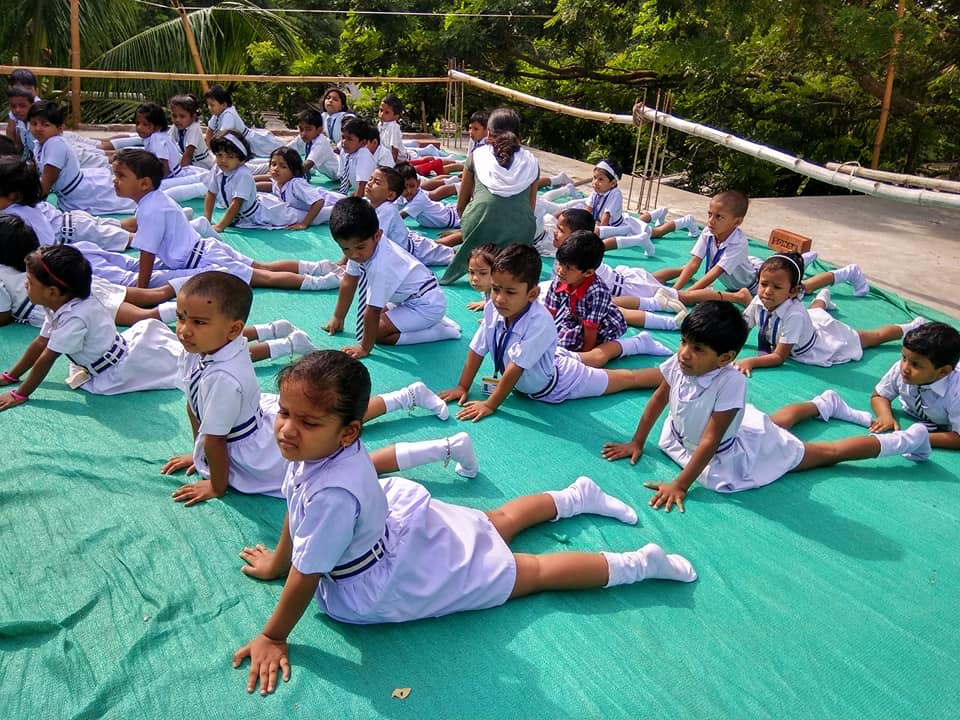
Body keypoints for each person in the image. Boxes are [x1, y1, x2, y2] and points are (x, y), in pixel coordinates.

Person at [230, 349, 696, 695]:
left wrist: (273, 635)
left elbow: (307, 573)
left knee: (528, 573)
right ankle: (574, 497)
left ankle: (639, 563)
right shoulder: (315, 451)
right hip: (394, 536)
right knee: (492, 523)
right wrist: (277, 561)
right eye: (286, 413)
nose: (287, 429)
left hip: (382, 573)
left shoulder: (330, 492)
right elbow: (296, 507)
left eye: (307, 422)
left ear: (348, 431)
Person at [600, 301, 933, 513]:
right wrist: (637, 441)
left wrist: (680, 484)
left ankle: (907, 440)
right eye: (685, 342)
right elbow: (659, 399)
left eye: (697, 348)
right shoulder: (681, 362)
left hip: (728, 453)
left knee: (825, 453)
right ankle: (823, 404)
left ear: (726, 358)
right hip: (694, 438)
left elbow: (711, 441)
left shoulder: (731, 381)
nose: (685, 352)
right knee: (771, 424)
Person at [439, 245, 664, 421]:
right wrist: (462, 387)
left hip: (561, 382)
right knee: (596, 357)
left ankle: (669, 375)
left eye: (510, 291)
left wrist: (489, 404)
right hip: (551, 359)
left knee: (626, 379)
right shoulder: (493, 309)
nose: (499, 298)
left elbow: (516, 368)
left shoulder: (540, 322)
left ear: (532, 293)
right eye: (496, 289)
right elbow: (477, 349)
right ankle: (638, 343)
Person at [157, 272, 320, 506]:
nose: (184, 330)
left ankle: (392, 408)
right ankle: (290, 344)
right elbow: (193, 406)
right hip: (237, 428)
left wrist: (216, 484)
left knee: (327, 448)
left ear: (234, 330)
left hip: (254, 452)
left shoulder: (224, 378)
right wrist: (198, 453)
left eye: (199, 322)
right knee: (326, 421)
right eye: (181, 317)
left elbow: (216, 440)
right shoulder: (197, 349)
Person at [112, 148, 340, 291]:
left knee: (265, 277)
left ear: (144, 183)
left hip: (205, 259)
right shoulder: (155, 200)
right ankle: (318, 267)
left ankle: (319, 282)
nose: (115, 181)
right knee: (264, 268)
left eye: (121, 176)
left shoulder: (150, 208)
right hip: (207, 250)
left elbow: (147, 254)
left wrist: (141, 288)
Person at [0, 245, 183, 410]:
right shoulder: (60, 304)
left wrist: (20, 394)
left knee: (178, 365)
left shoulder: (75, 319)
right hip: (110, 354)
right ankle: (179, 307)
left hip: (115, 370)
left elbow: (47, 358)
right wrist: (11, 376)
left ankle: (183, 308)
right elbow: (41, 342)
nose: (25, 284)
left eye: (30, 282)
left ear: (53, 292)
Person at [769, 321, 960, 452]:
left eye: (916, 365)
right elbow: (879, 395)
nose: (905, 368)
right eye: (904, 358)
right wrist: (885, 415)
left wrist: (916, 438)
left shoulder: (956, 392)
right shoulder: (901, 369)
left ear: (943, 372)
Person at [734, 252, 926, 376]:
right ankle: (824, 296)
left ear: (793, 291)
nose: (767, 291)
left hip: (821, 344)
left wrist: (750, 361)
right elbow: (743, 327)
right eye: (764, 284)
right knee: (816, 312)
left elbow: (779, 356)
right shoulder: (760, 300)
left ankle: (912, 326)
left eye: (776, 287)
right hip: (809, 325)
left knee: (872, 337)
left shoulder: (795, 315)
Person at [324, 197, 460, 357]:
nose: (353, 254)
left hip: (426, 304)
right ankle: (426, 323)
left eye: (359, 247)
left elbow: (372, 311)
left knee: (377, 333)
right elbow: (349, 281)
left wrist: (364, 347)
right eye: (345, 248)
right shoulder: (361, 250)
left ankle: (440, 331)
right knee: (371, 321)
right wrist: (338, 318)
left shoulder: (382, 265)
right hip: (407, 298)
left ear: (378, 235)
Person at [440, 107, 540, 285]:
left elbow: (461, 205)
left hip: (478, 226)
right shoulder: (532, 161)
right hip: (521, 232)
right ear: (519, 135)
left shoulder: (477, 155)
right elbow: (530, 209)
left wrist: (470, 230)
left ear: (489, 133)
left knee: (483, 219)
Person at [0, 155, 131, 251]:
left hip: (72, 233)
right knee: (123, 229)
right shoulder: (25, 204)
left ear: (14, 195)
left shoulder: (14, 215)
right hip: (72, 223)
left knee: (130, 239)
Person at [28, 101, 135, 215]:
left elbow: (45, 185)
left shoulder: (55, 144)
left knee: (131, 198)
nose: (38, 128)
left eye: (45, 124)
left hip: (82, 194)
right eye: (34, 123)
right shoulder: (39, 144)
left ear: (60, 129)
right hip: (74, 192)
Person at [201, 131, 302, 231]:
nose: (223, 160)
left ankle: (315, 207)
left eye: (230, 157)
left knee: (295, 216)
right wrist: (207, 220)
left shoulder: (243, 174)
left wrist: (220, 226)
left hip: (260, 215)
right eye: (219, 155)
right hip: (241, 217)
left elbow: (237, 203)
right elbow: (211, 193)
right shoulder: (217, 168)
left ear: (241, 160)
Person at [364, 166, 454, 266]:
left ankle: (455, 183)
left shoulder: (387, 210)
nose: (369, 183)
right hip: (410, 241)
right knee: (438, 246)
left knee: (451, 256)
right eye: (370, 179)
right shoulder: (369, 202)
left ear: (390, 195)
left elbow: (370, 242)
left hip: (414, 249)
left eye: (377, 182)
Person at [254, 147, 343, 228]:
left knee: (323, 217)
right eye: (273, 164)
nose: (276, 169)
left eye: (283, 166)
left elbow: (319, 202)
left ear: (295, 171)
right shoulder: (279, 183)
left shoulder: (296, 184)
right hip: (316, 206)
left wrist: (304, 223)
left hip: (332, 203)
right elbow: (265, 179)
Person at [203, 84, 281, 157]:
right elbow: (210, 130)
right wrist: (209, 149)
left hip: (251, 142)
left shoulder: (229, 114)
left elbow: (222, 135)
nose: (209, 107)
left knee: (277, 152)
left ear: (224, 104)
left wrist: (214, 151)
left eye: (212, 105)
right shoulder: (217, 114)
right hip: (240, 142)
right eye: (208, 105)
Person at [395, 161, 461, 229]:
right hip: (446, 212)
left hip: (454, 218)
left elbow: (401, 215)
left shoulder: (419, 199)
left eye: (412, 186)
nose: (409, 190)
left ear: (418, 183)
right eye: (404, 188)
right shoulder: (402, 197)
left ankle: (461, 184)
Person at [287, 108, 338, 181]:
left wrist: (285, 175)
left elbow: (308, 164)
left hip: (341, 174)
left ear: (319, 130)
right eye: (301, 129)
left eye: (308, 129)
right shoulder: (304, 137)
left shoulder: (321, 142)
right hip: (330, 175)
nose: (303, 133)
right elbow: (285, 150)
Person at [338, 116, 376, 197]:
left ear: (363, 143)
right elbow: (343, 177)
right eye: (343, 137)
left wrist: (356, 203)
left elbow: (363, 184)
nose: (344, 142)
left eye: (349, 139)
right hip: (358, 193)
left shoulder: (363, 154)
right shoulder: (344, 151)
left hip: (370, 196)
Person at [466, 243, 498, 311]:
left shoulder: (504, 297)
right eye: (472, 272)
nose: (475, 278)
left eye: (483, 273)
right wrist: (488, 303)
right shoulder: (487, 288)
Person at [377, 94, 408, 164]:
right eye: (381, 110)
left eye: (386, 112)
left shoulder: (393, 127)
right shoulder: (380, 124)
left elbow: (394, 150)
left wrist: (391, 167)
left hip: (401, 160)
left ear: (396, 116)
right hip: (388, 157)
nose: (381, 114)